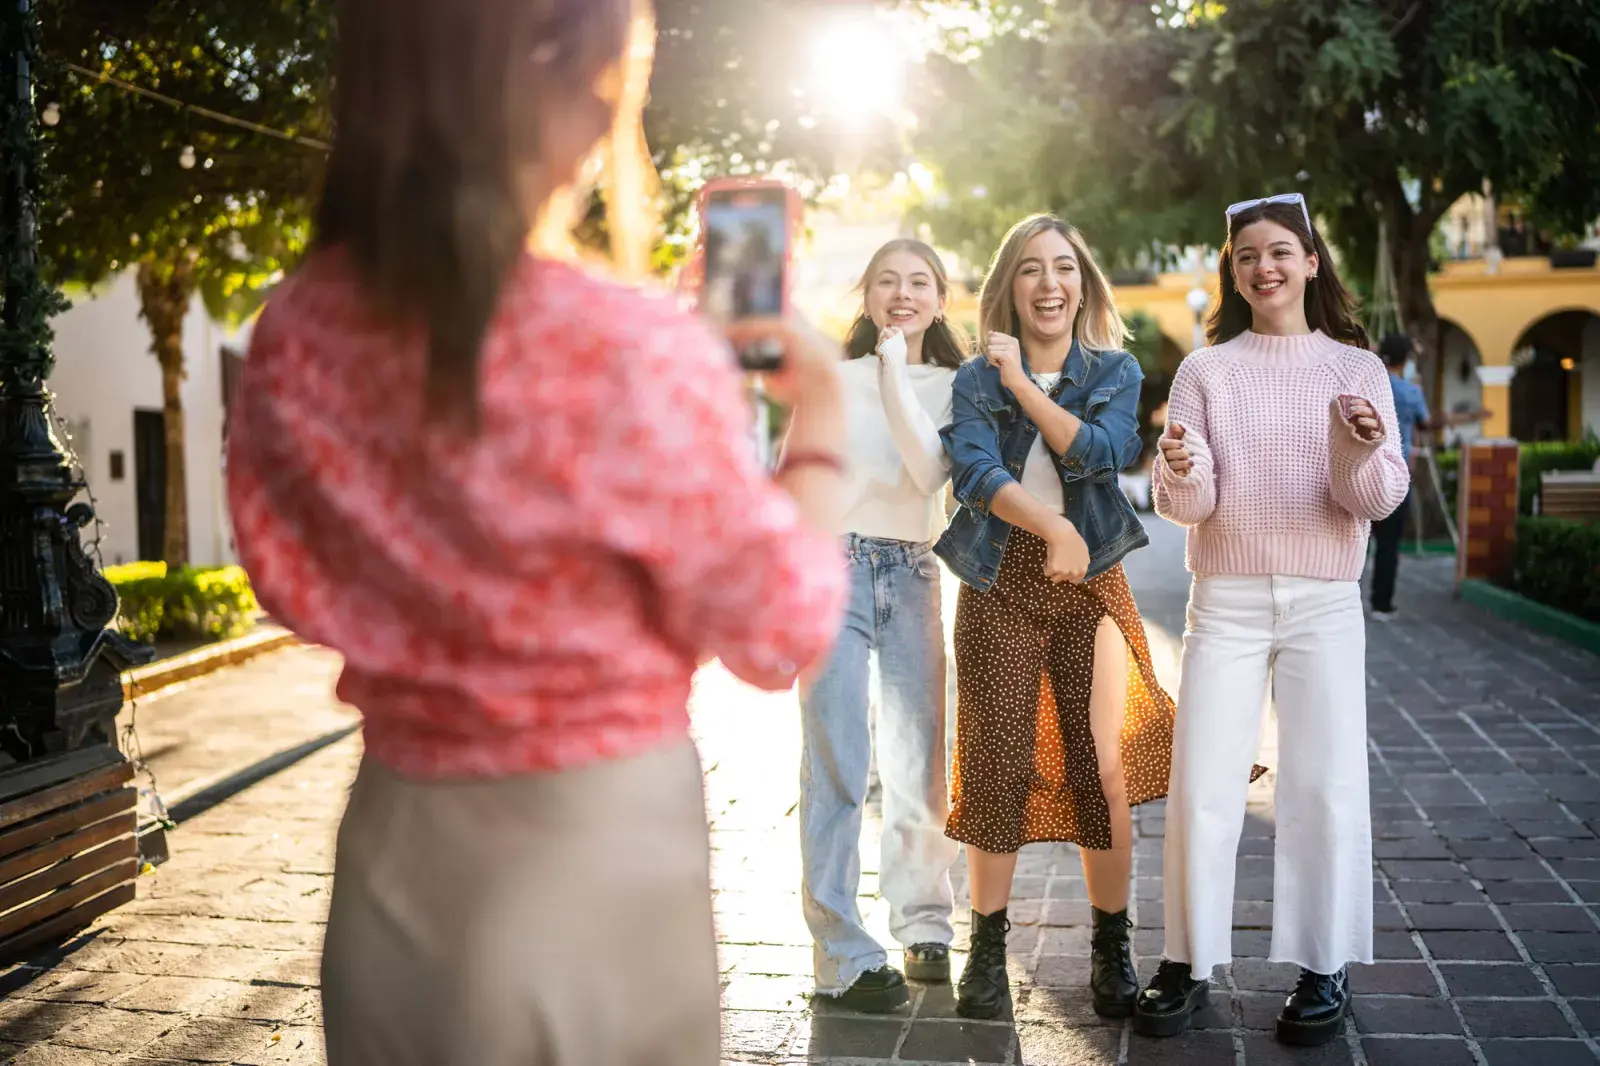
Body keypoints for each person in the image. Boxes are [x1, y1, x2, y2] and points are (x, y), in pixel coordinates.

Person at [223, 2, 850, 1062]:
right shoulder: (629, 346)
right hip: (595, 858)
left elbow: (284, 576)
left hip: (394, 857)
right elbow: (775, 630)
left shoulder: (296, 331)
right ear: (577, 85)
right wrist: (821, 425)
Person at [1141, 193, 1409, 1047]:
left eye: (1281, 251)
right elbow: (1190, 502)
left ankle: (1323, 965)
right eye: (1248, 254)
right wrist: (1179, 466)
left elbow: (1374, 497)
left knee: (1324, 784)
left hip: (1324, 599)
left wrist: (1360, 447)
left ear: (1312, 261)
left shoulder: (1357, 370)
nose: (1265, 266)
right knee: (1203, 783)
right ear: (1234, 270)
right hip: (1225, 600)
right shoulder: (1205, 371)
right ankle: (1187, 959)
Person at [936, 214, 1182, 1022]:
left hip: (1090, 586)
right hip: (999, 579)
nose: (1050, 283)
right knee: (997, 760)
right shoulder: (973, 377)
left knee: (1097, 765)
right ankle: (986, 951)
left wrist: (1023, 387)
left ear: (1083, 284)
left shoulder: (1114, 369)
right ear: (1009, 286)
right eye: (1032, 270)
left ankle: (1113, 948)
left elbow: (1100, 455)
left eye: (1064, 268)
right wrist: (1054, 527)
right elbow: (972, 473)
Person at [798, 239, 968, 1012]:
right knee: (835, 762)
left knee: (917, 759)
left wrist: (897, 369)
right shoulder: (830, 379)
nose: (903, 294)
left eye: (919, 283)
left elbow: (932, 472)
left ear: (941, 297)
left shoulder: (962, 384)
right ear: (866, 297)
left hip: (913, 567)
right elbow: (795, 478)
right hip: (831, 569)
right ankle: (839, 951)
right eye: (887, 283)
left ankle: (924, 923)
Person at [1370, 332, 1490, 619]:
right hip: (1392, 476)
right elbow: (1428, 423)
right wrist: (1471, 418)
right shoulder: (1410, 392)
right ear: (1406, 360)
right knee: (1388, 545)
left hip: (1358, 469)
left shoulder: (1367, 382)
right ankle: (1381, 604)